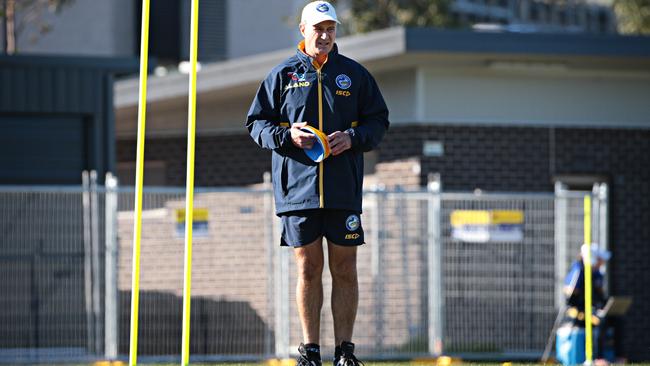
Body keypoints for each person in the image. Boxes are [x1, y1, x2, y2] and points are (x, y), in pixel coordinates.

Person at [246, 1, 389, 365]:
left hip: (343, 190)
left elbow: (378, 122)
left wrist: (353, 139)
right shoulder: (282, 75)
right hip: (298, 192)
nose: (324, 36)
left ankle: (345, 352)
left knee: (345, 269)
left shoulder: (354, 75)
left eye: (330, 29)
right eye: (317, 29)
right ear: (303, 31)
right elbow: (256, 124)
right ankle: (311, 352)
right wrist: (285, 135)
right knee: (308, 268)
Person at [562, 244, 611, 360]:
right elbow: (569, 295)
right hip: (578, 312)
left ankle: (619, 357)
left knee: (615, 318)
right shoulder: (579, 270)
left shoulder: (596, 274)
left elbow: (600, 296)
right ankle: (599, 358)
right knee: (600, 322)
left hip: (592, 310)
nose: (602, 263)